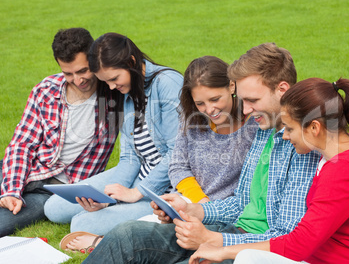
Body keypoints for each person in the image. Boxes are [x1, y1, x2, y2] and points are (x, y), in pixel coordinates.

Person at [82, 43, 321, 264]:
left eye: (252, 100)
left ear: (282, 90)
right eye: (244, 100)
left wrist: (214, 240)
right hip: (229, 228)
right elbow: (241, 202)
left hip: (251, 248)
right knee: (128, 235)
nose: (245, 109)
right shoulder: (263, 130)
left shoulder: (301, 144)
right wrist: (195, 210)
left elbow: (286, 235)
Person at [189, 78, 349, 264]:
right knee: (247, 256)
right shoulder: (337, 153)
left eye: (290, 129)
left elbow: (297, 245)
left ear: (314, 128)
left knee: (247, 258)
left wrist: (224, 249)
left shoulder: (346, 169)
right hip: (316, 258)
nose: (285, 136)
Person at [44, 32, 183, 237]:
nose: (111, 87)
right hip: (139, 176)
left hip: (166, 189)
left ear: (131, 62)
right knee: (54, 208)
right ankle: (116, 206)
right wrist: (110, 198)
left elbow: (177, 154)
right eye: (105, 81)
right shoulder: (128, 95)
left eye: (114, 79)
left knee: (81, 225)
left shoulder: (168, 84)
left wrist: (137, 193)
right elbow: (129, 158)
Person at [0, 28, 119, 237]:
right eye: (68, 73)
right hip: (28, 168)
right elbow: (22, 144)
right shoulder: (46, 90)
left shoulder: (115, 97)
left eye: (83, 71)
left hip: (56, 192)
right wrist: (11, 190)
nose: (77, 80)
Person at [169, 55, 257, 203]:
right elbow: (178, 167)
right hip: (190, 202)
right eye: (200, 103)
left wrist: (207, 210)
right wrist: (200, 201)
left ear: (231, 86)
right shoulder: (193, 117)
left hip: (227, 214)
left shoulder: (254, 122)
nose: (209, 110)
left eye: (215, 99)